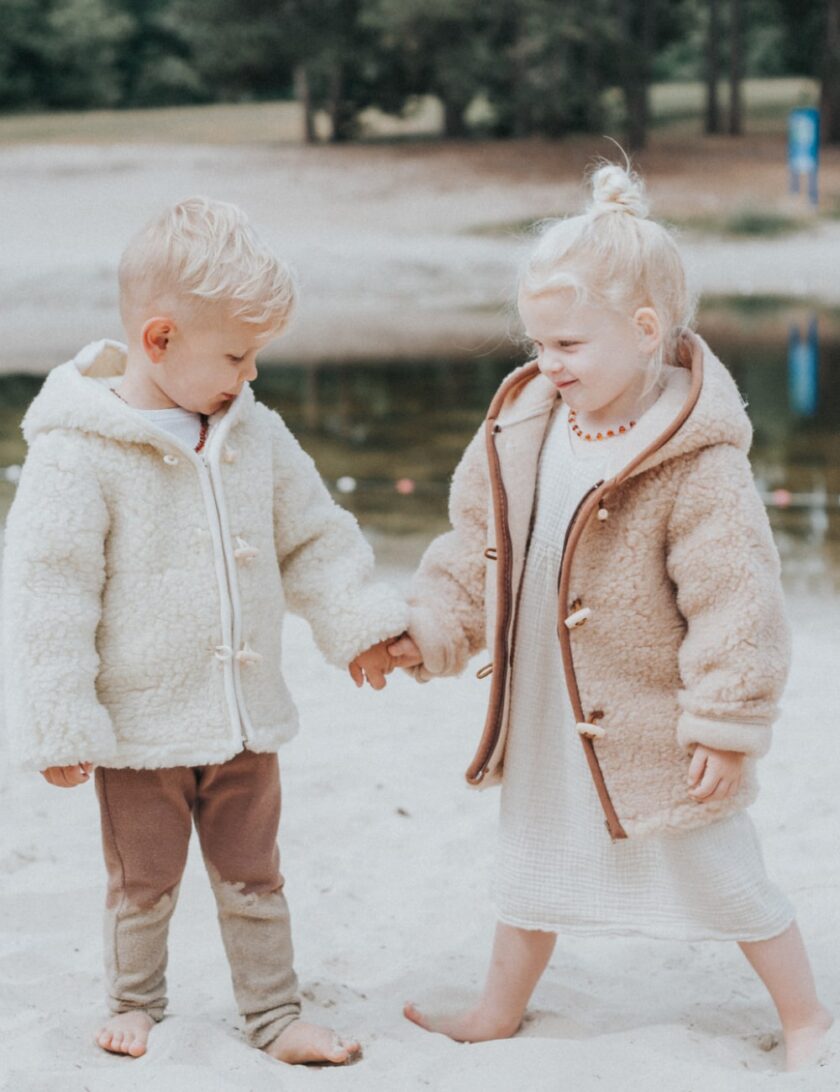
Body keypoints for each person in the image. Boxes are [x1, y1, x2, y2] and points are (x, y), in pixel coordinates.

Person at [387, 163, 832, 1071]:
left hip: (652, 710)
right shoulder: (523, 421)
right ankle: (496, 1011)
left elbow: (735, 601)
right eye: (538, 342)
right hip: (549, 702)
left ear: (644, 331)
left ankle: (805, 1017)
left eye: (568, 345)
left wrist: (727, 720)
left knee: (721, 864)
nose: (548, 363)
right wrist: (429, 626)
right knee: (532, 860)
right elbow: (476, 541)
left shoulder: (696, 459)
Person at [2, 196, 405, 1065]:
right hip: (138, 729)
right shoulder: (79, 450)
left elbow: (314, 538)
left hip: (243, 717)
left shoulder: (252, 435)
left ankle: (272, 1015)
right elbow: (49, 596)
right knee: (143, 881)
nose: (250, 375)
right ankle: (135, 1002)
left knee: (254, 874)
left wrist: (358, 624)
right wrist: (64, 721)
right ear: (158, 341)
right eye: (236, 354)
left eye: (256, 355)